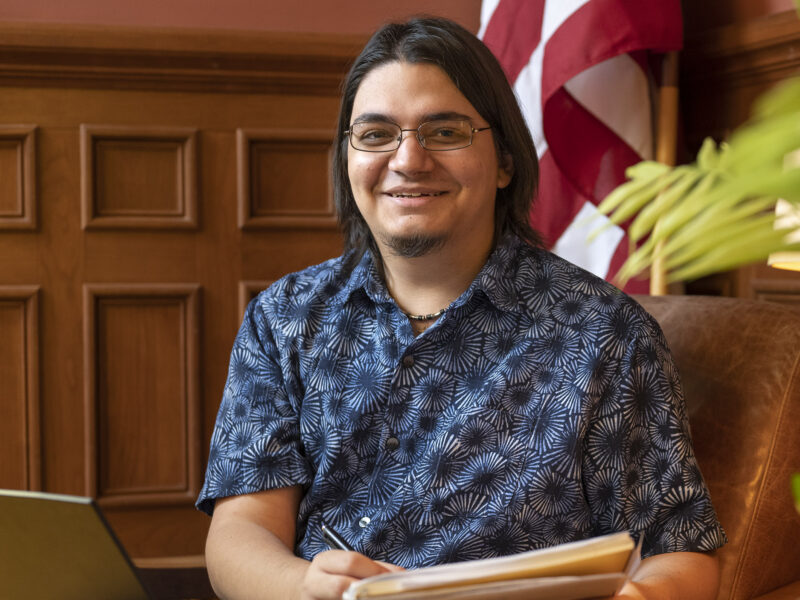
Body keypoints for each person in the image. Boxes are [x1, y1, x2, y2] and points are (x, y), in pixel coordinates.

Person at [197, 16, 726, 600]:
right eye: (375, 135)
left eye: (444, 132)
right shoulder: (284, 318)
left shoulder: (606, 336)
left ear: (504, 160)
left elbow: (680, 551)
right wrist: (305, 588)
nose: (408, 160)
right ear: (348, 162)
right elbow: (239, 532)